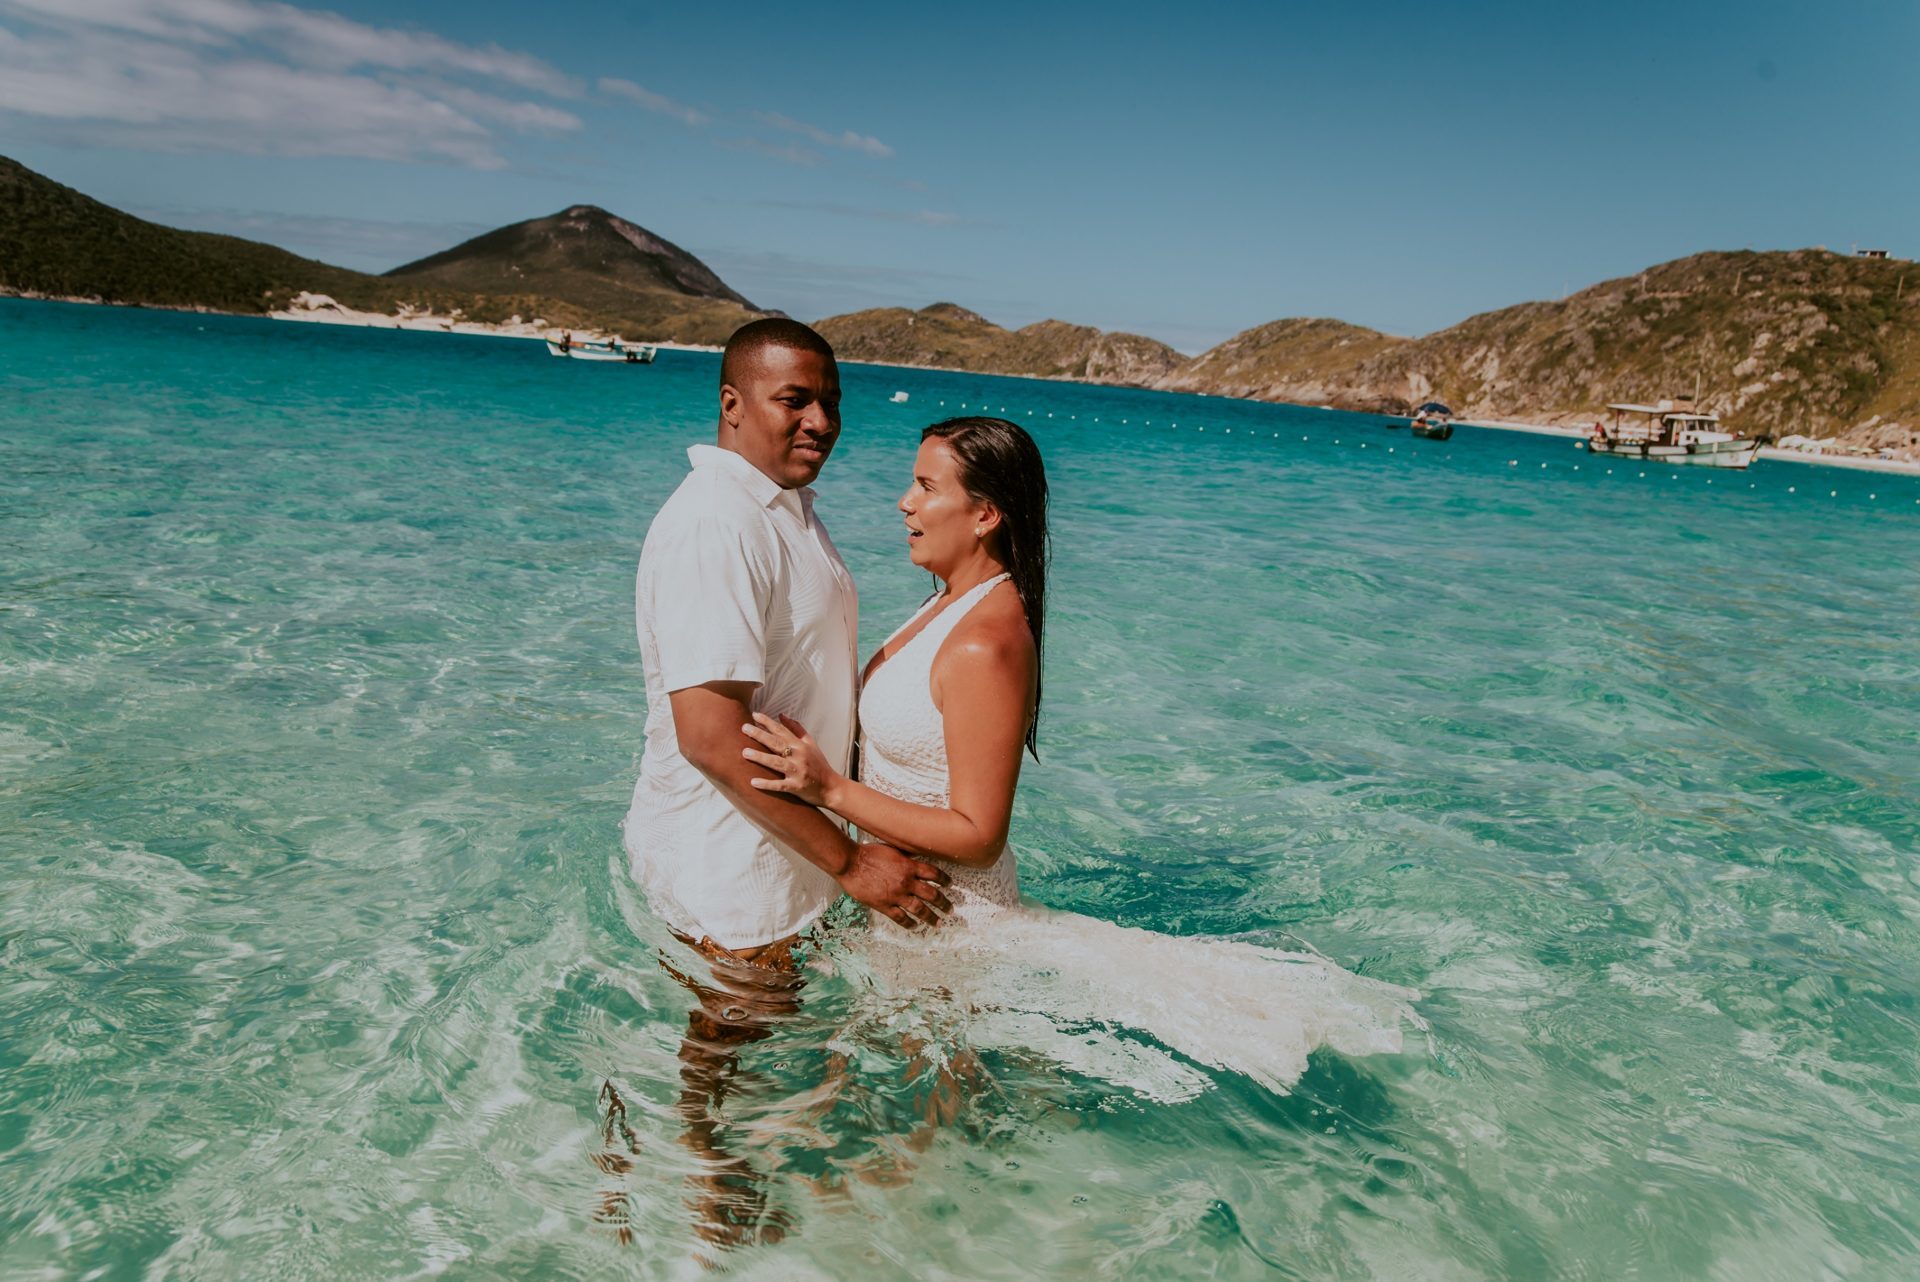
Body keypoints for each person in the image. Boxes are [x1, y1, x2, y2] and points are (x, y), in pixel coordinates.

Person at [740, 417, 1423, 1099]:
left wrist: (828, 789)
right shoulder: (947, 602)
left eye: (925, 486)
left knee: (922, 1136)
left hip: (946, 930)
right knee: (883, 1121)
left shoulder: (985, 640)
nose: (904, 501)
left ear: (983, 514)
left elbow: (979, 836)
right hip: (906, 915)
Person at [615, 318, 951, 1248]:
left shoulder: (782, 508)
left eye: (831, 402)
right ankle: (692, 1215)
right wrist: (851, 864)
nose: (820, 422)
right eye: (793, 399)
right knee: (718, 1047)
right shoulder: (715, 525)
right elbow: (710, 738)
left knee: (739, 1041)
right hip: (730, 861)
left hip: (777, 851)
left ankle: (690, 1180)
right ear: (732, 404)